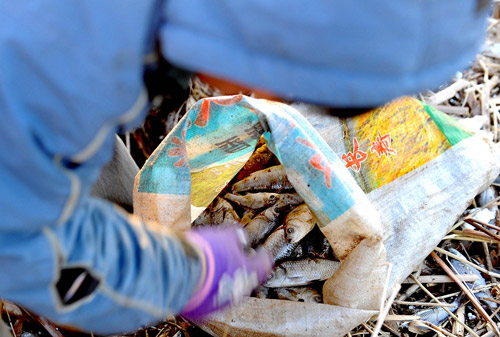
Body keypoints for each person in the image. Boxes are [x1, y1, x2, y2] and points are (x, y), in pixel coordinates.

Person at [0, 0, 491, 335]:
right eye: (281, 78)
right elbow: (24, 242)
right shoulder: (43, 62)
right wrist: (183, 276)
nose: (270, 99)